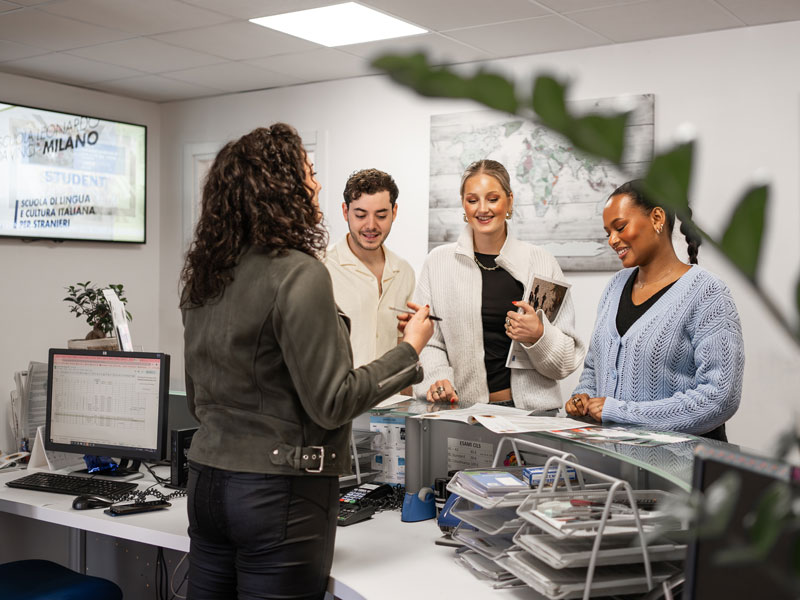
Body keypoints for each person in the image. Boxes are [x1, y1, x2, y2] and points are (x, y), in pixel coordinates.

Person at [179, 124, 433, 600]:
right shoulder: (301, 271)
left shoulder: (206, 275)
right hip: (277, 495)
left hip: (207, 486)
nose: (315, 184)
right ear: (282, 186)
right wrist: (410, 350)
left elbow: (198, 400)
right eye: (309, 173)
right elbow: (332, 403)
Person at [565, 180, 744, 441]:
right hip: (616, 470)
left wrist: (621, 411)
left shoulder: (707, 292)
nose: (613, 240)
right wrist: (583, 399)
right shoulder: (615, 287)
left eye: (620, 227)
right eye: (608, 233)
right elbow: (594, 369)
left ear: (657, 217)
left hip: (680, 473)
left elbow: (719, 397)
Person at [404, 159, 585, 410]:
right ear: (463, 203)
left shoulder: (541, 261)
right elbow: (430, 341)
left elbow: (564, 362)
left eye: (492, 198)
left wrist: (538, 336)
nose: (482, 209)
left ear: (509, 201)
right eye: (472, 199)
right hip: (463, 413)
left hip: (531, 416)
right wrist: (437, 379)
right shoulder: (438, 262)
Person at [324, 168, 415, 367]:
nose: (371, 225)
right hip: (342, 395)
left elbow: (402, 345)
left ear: (394, 212)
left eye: (381, 216)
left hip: (393, 397)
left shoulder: (404, 271)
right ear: (345, 211)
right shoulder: (322, 268)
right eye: (361, 215)